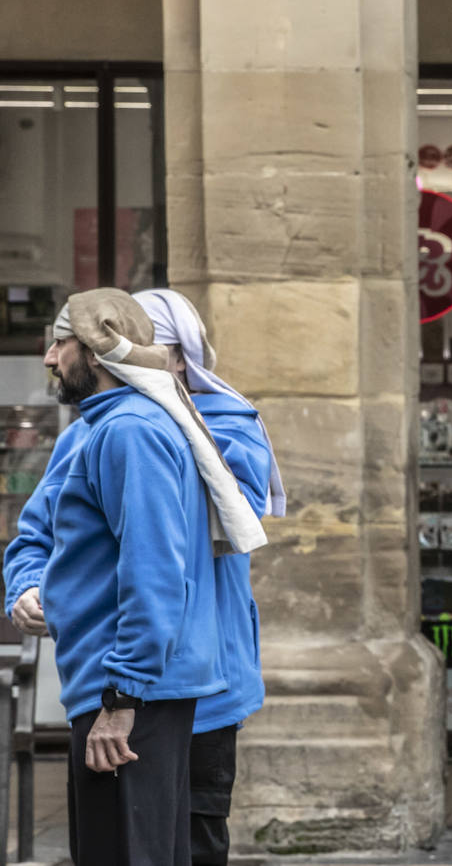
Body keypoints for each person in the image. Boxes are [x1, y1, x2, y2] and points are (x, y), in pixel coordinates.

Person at [5, 289, 281, 866]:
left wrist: (123, 695)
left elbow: (156, 569)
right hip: (128, 686)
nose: (50, 358)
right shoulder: (105, 427)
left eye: (62, 342)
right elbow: (42, 534)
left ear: (102, 350)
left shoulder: (133, 430)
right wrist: (28, 586)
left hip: (146, 690)